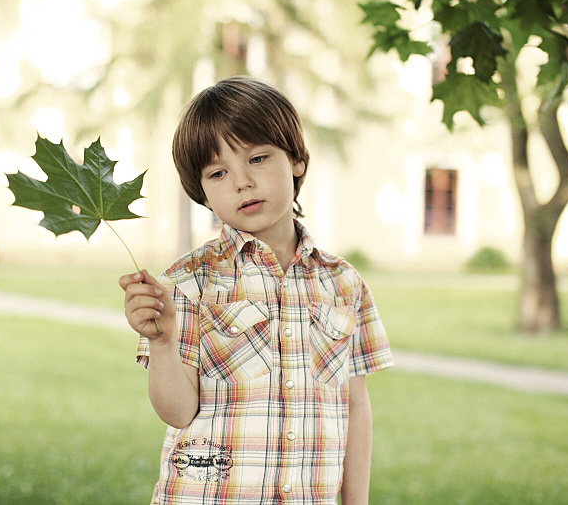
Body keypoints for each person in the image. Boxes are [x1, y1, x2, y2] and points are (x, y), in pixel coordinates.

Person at [119, 76, 393, 504]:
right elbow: (177, 412)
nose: (241, 182)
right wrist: (163, 342)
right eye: (218, 172)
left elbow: (355, 406)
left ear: (296, 160)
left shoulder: (344, 283)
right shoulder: (187, 282)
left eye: (258, 158)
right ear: (204, 193)